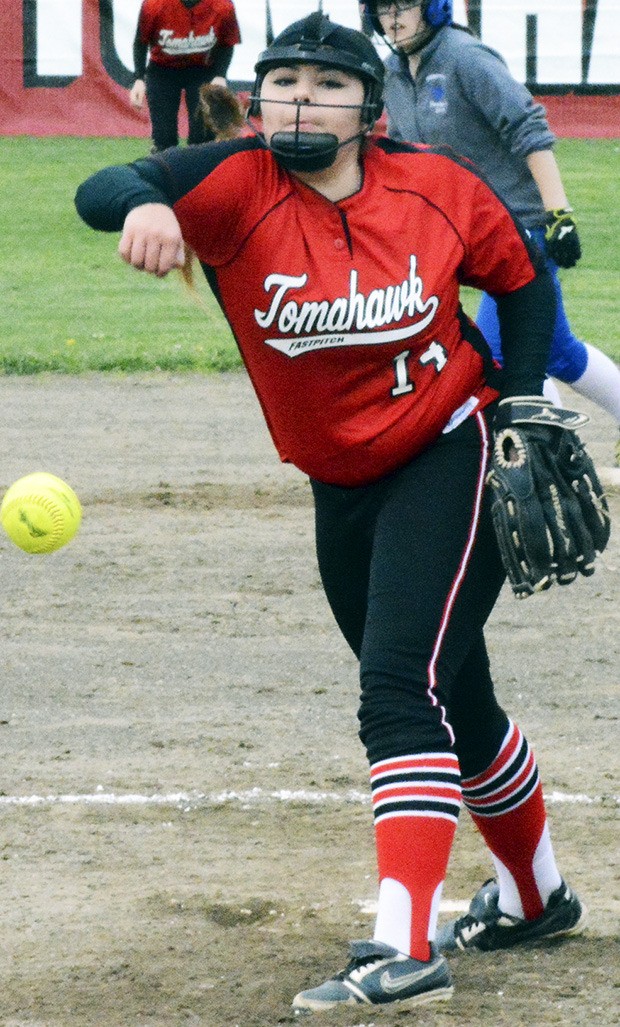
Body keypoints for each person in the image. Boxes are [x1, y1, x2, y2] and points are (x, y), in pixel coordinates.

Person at [75, 13, 589, 1013]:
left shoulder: (433, 188)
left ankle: (403, 948)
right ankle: (533, 895)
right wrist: (153, 207)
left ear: (368, 106)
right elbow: (105, 191)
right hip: (339, 484)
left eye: (323, 83)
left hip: (450, 450)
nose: (298, 99)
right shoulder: (234, 181)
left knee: (397, 685)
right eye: (282, 82)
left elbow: (522, 282)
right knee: (453, 692)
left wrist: (520, 401)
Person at [361, 0, 620, 465]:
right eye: (383, 8)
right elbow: (407, 156)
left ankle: (553, 460)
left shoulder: (465, 57)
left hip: (517, 226)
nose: (394, 17)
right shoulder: (392, 73)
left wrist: (558, 214)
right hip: (465, 232)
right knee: (555, 351)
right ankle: (559, 454)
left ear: (434, 8)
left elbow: (529, 126)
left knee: (503, 354)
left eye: (406, 5)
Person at [129, 0, 241, 151]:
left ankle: (201, 172)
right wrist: (139, 79)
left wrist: (220, 75)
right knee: (164, 138)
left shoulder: (222, 6)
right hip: (163, 71)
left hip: (202, 69)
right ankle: (165, 171)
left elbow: (227, 43)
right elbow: (140, 42)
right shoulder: (154, 5)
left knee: (203, 137)